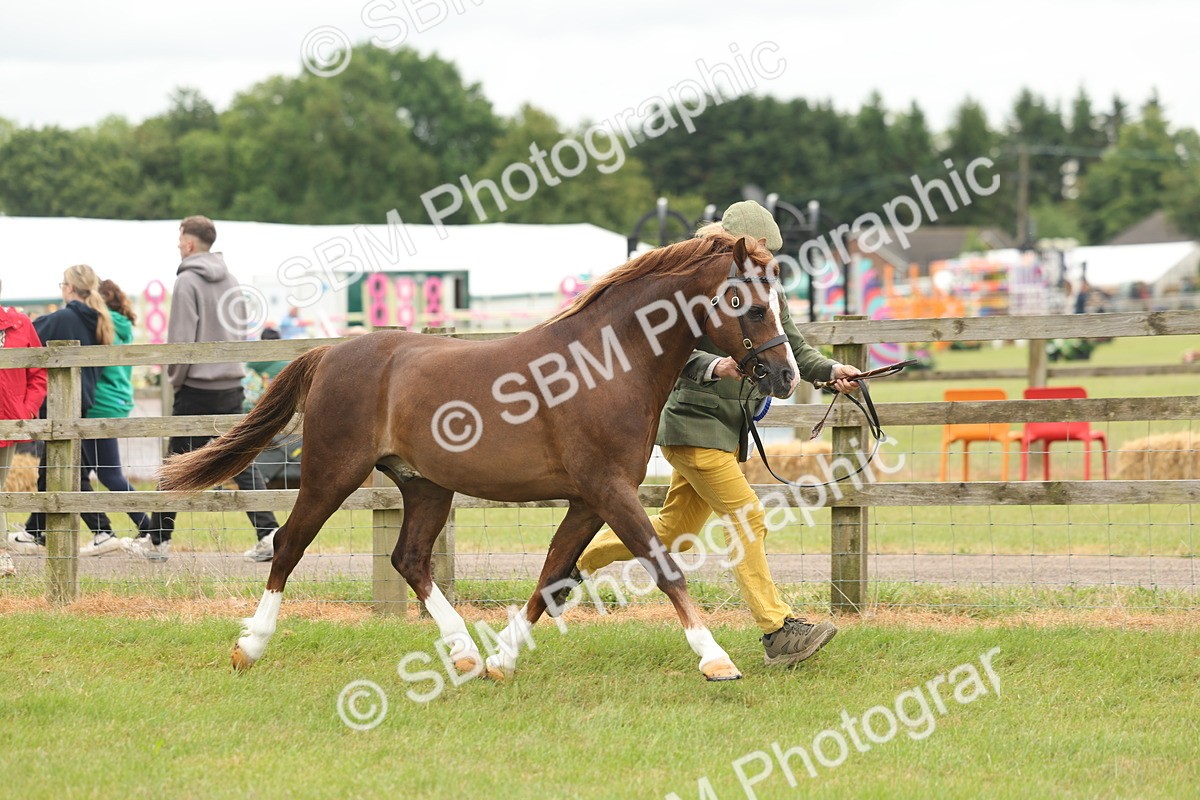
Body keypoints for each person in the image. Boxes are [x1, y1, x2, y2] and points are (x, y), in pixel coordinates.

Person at [557, 201, 862, 666]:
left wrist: (830, 370)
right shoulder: (694, 289)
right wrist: (713, 366)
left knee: (674, 533)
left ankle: (570, 569)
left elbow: (790, 346)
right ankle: (777, 630)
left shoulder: (761, 288)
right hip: (692, 425)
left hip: (726, 431)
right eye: (760, 249)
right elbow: (662, 356)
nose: (766, 259)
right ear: (733, 242)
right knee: (747, 516)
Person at [131, 216, 279, 562]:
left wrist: (175, 378)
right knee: (237, 457)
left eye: (179, 238)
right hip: (231, 384)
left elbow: (182, 341)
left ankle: (157, 541)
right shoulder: (232, 280)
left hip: (196, 385)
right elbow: (241, 332)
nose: (178, 244)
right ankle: (269, 531)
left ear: (189, 243)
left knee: (175, 463)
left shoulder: (186, 282)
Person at [7, 265, 119, 554]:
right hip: (83, 399)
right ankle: (36, 530)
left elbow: (29, 337)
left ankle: (102, 530)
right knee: (57, 465)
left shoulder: (63, 318)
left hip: (61, 401)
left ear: (69, 287)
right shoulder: (100, 319)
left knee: (68, 469)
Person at [78, 279, 154, 555]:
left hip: (100, 403)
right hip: (118, 399)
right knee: (76, 475)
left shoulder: (102, 323)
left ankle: (149, 528)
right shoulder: (123, 325)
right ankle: (101, 532)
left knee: (109, 475)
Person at [0, 280, 48, 574]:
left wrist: (26, 410)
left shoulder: (19, 324)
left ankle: (2, 554)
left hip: (7, 423)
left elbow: (38, 372)